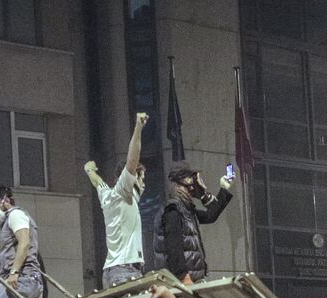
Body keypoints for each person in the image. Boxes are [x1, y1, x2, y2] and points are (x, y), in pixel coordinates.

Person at [88, 112, 150, 288]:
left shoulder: (107, 195)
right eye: (141, 178)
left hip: (110, 272)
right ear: (131, 177)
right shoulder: (123, 191)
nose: (143, 184)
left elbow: (97, 182)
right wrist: (138, 127)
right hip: (126, 271)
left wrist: (89, 170)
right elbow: (132, 158)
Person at [153, 160, 233, 284]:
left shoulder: (186, 210)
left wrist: (223, 190)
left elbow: (210, 216)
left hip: (192, 280)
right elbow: (174, 249)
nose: (195, 182)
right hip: (181, 283)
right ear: (183, 180)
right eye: (191, 177)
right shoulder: (173, 211)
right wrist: (184, 278)